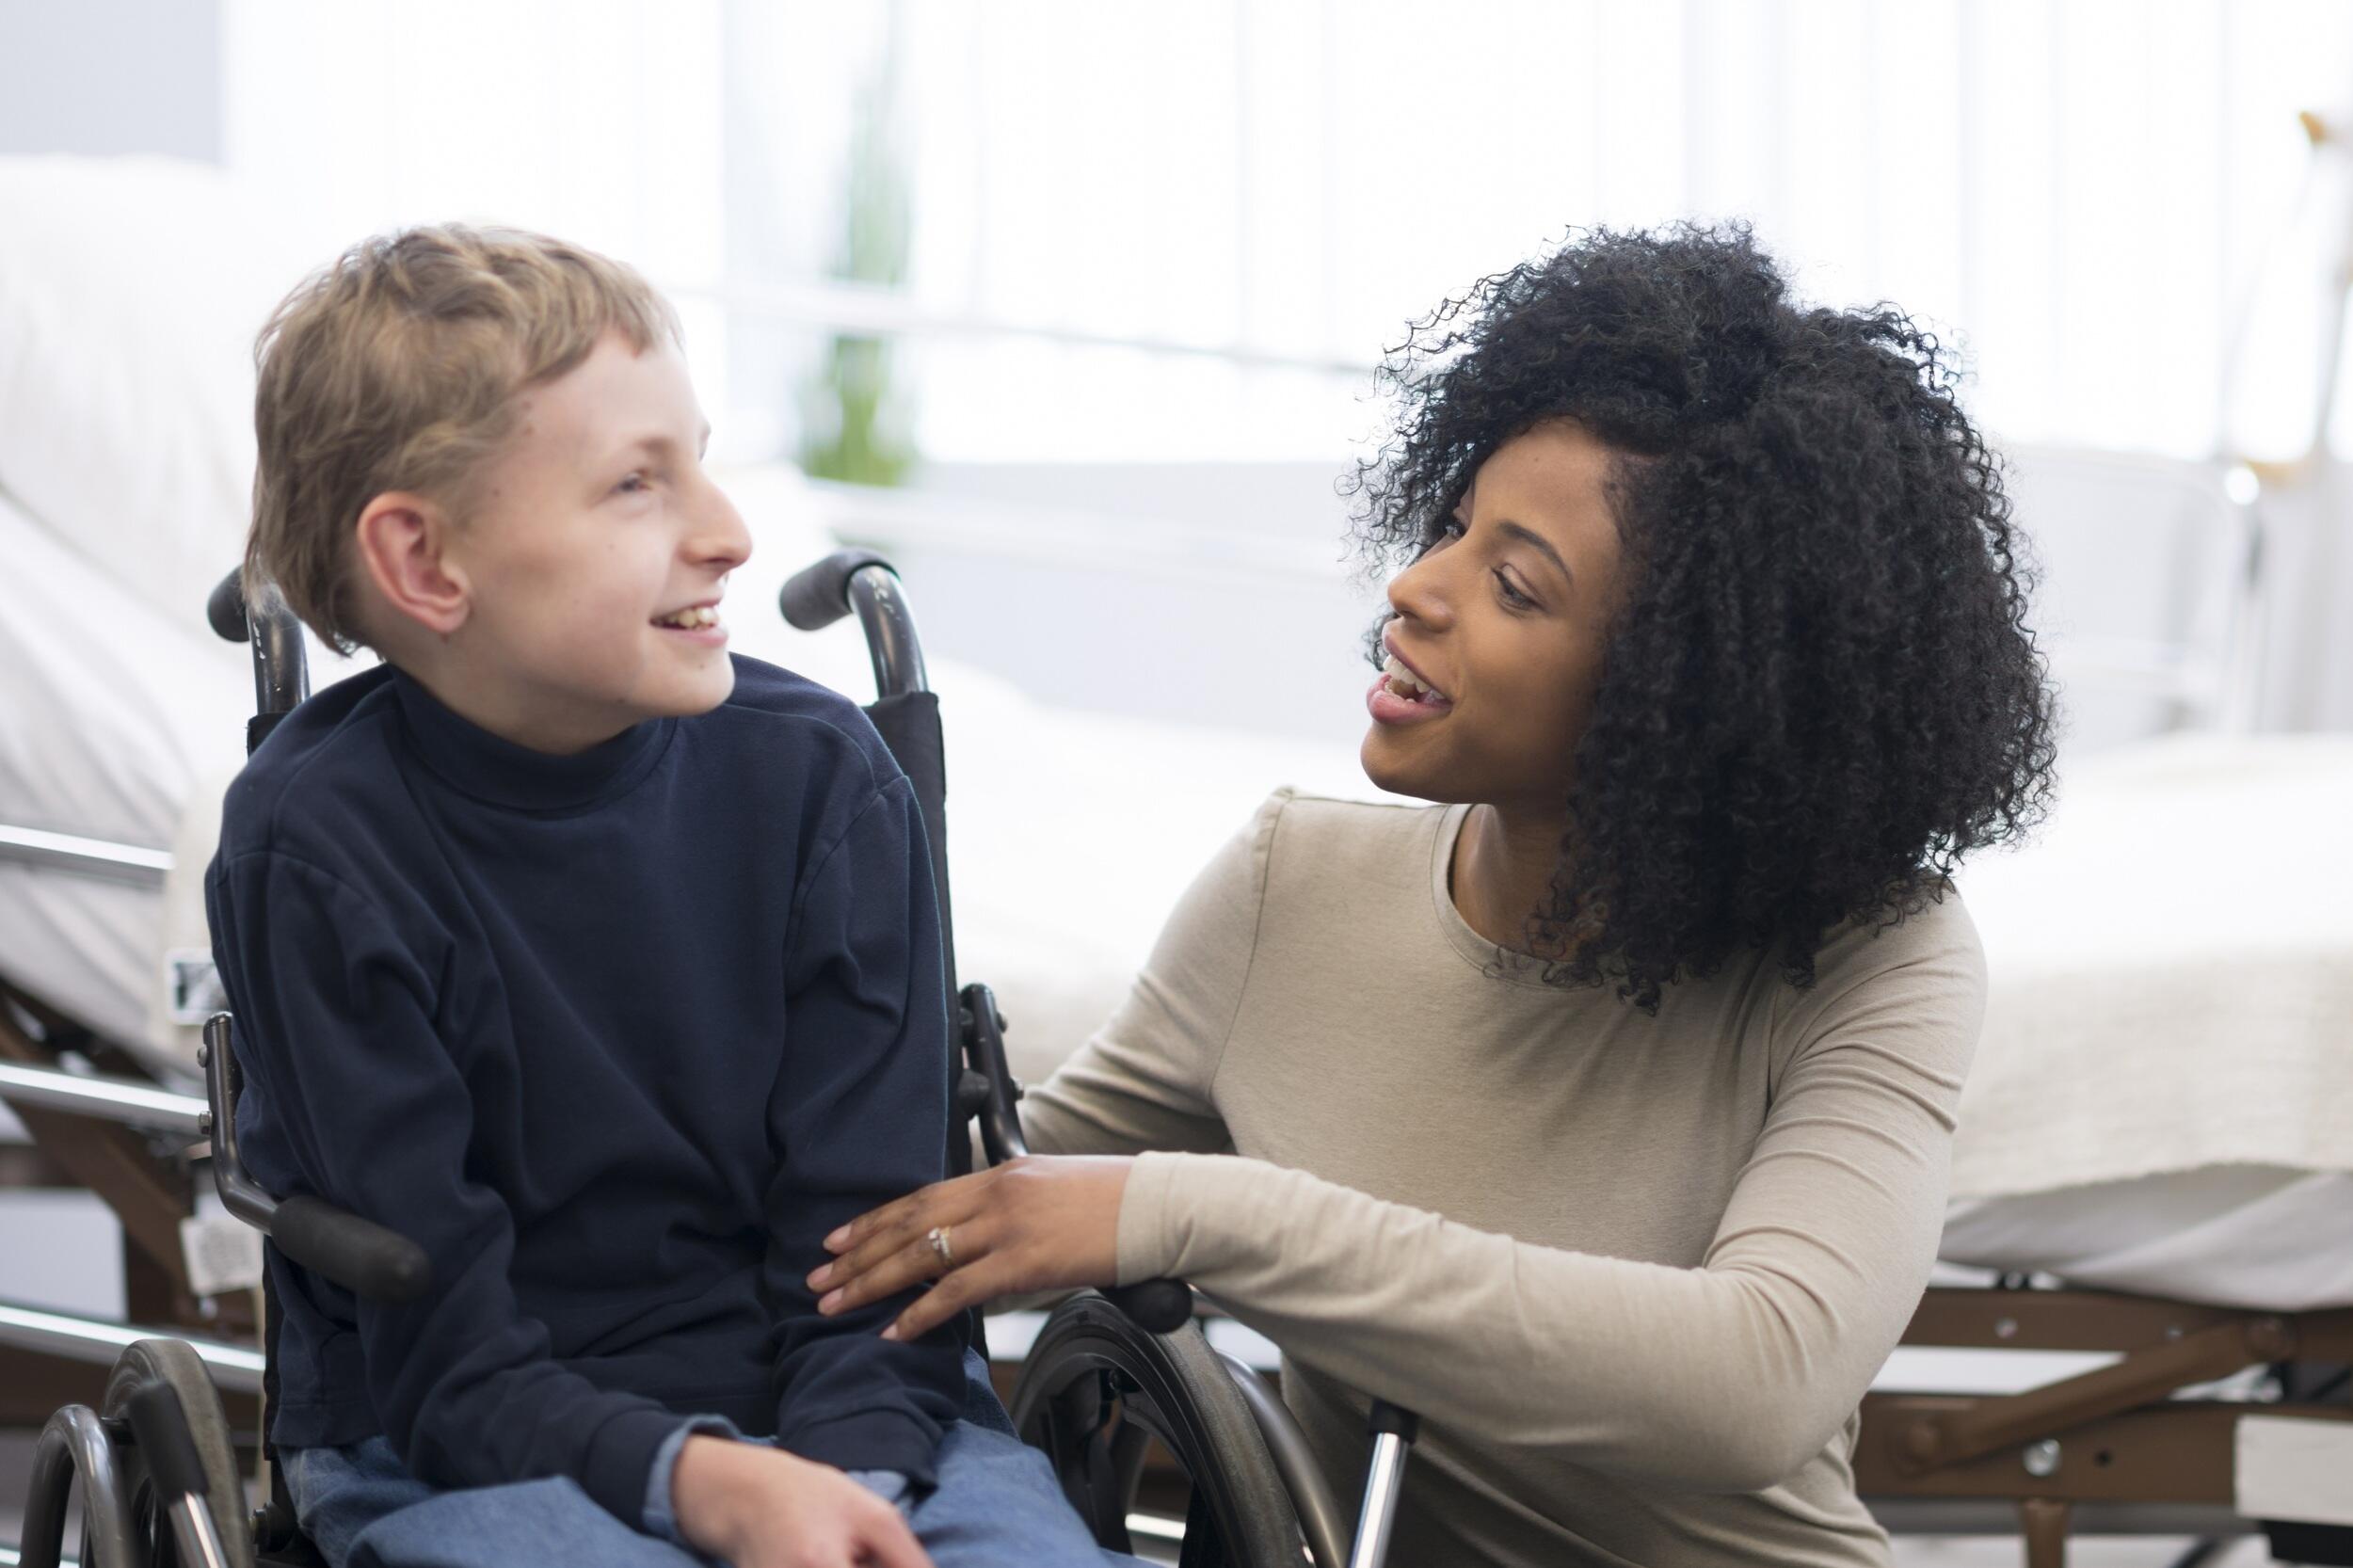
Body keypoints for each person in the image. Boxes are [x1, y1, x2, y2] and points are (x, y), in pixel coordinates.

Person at [806, 223, 2058, 1566]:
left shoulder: (1881, 956)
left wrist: (1196, 1209)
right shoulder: (1289, 885)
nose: (1413, 588)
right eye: (1454, 525)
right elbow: (1000, 1185)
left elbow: (1757, 1380)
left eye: (1515, 582)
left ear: (1683, 692)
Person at [206, 226, 1128, 1568]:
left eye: (702, 456)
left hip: (852, 1410)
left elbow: (868, 1255)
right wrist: (702, 1488)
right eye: (638, 484)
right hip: (458, 1443)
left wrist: (831, 1485)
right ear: (424, 564)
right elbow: (448, 1361)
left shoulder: (822, 782)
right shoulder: (320, 848)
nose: (730, 532)